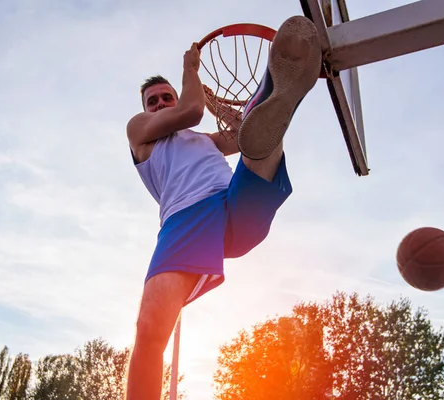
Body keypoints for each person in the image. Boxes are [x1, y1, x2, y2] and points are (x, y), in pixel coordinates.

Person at [124, 15, 322, 399]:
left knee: (256, 142)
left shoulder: (203, 140)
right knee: (150, 330)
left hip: (233, 203)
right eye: (155, 101)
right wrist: (189, 71)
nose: (161, 103)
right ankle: (274, 91)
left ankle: (280, 86)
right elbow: (192, 111)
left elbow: (233, 133)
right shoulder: (140, 134)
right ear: (146, 110)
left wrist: (228, 111)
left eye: (168, 97)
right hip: (187, 221)